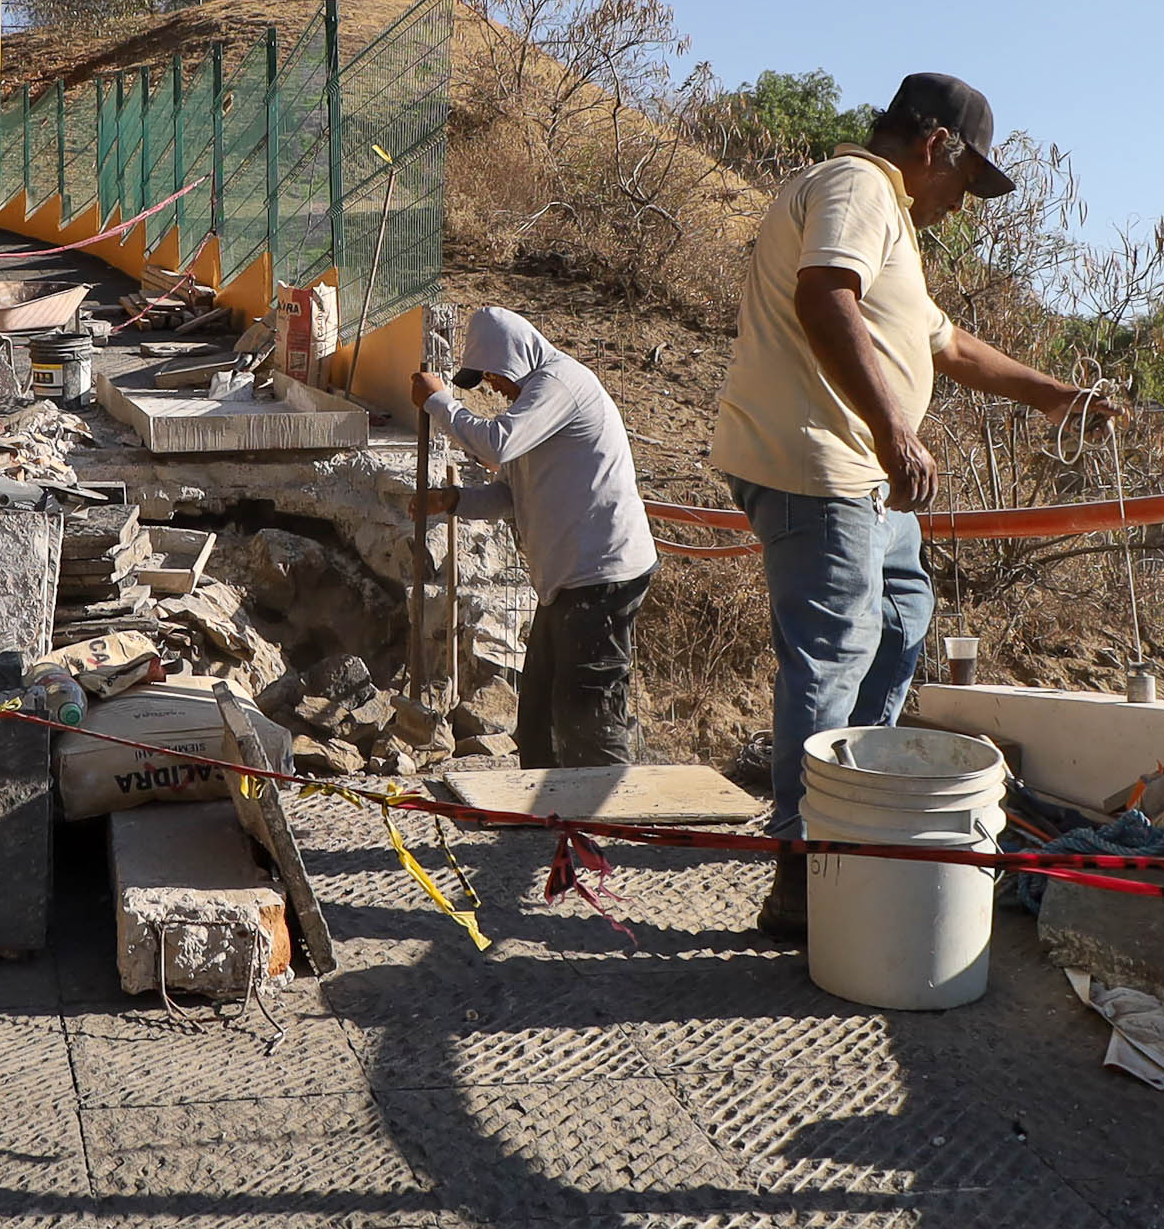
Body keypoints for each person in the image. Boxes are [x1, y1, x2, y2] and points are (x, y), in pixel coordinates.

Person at [710, 73, 1118, 937]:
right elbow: (823, 295)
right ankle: (806, 864)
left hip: (862, 476)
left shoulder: (888, 215)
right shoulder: (857, 186)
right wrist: (896, 430)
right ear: (937, 146)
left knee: (901, 620)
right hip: (820, 466)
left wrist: (1057, 398)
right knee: (834, 651)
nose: (962, 206)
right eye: (966, 184)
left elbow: (950, 342)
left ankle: (854, 817)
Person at [410, 307, 660, 768]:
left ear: (515, 357)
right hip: (568, 581)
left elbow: (497, 444)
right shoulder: (534, 407)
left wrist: (440, 402)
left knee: (589, 715)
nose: (493, 387)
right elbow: (511, 493)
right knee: (540, 718)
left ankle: (607, 825)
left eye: (493, 374)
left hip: (602, 576)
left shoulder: (560, 383)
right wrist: (455, 501)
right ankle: (542, 823)